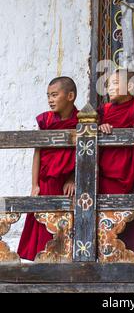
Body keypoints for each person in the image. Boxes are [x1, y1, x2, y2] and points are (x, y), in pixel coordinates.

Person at [17, 77, 78, 261]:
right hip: (45, 181)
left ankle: (61, 260)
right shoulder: (45, 120)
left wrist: (73, 178)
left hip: (65, 185)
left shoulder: (81, 120)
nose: (50, 100)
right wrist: (34, 184)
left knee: (62, 222)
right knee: (41, 222)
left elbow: (85, 154)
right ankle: (40, 261)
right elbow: (38, 153)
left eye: (54, 95)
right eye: (48, 96)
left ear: (70, 96)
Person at [98, 69, 134, 258]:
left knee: (133, 215)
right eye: (108, 85)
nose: (109, 88)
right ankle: (106, 254)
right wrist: (99, 127)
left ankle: (132, 255)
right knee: (107, 215)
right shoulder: (103, 111)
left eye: (115, 83)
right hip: (108, 172)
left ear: (130, 87)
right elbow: (86, 129)